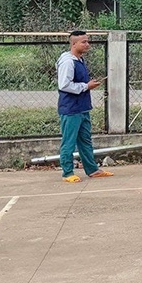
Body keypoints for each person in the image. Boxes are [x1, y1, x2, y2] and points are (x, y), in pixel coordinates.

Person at [56, 30, 112, 183]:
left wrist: (87, 86)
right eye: (84, 42)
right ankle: (67, 173)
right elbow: (64, 85)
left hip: (82, 107)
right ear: (74, 44)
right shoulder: (68, 62)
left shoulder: (78, 60)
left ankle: (92, 169)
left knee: (85, 140)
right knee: (69, 141)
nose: (88, 44)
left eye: (88, 41)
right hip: (71, 108)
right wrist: (86, 86)